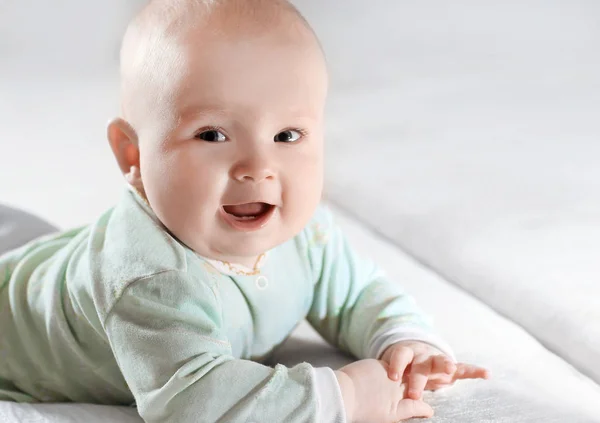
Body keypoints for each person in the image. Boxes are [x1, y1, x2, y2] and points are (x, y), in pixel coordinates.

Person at [0, 1, 489, 421]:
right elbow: (193, 401)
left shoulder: (305, 233)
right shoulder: (151, 278)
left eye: (287, 136)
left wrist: (404, 343)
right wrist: (344, 396)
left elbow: (353, 293)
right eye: (212, 135)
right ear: (134, 156)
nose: (258, 167)